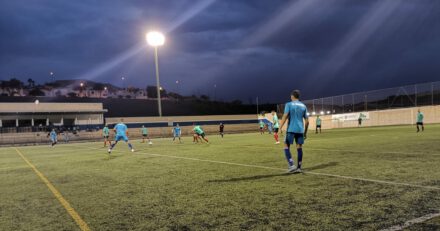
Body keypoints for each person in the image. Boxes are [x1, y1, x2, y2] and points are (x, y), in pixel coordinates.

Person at [279, 90, 309, 173]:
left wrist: (280, 128)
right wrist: (305, 133)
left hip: (291, 129)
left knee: (286, 146)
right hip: (300, 130)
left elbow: (285, 116)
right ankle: (299, 167)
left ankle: (292, 165)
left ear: (292, 96)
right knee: (299, 147)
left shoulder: (288, 104)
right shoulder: (303, 106)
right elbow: (307, 121)